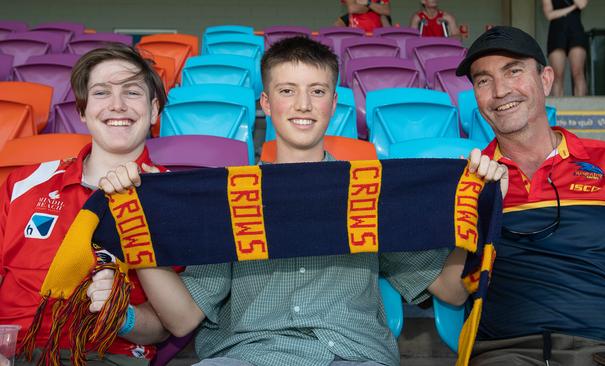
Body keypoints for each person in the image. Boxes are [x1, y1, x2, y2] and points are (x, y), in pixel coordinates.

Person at [88, 36, 507, 366]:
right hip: (245, 356)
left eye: (318, 91)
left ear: (334, 103)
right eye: (288, 91)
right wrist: (135, 223)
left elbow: (451, 293)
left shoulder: (371, 193)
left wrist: (472, 211)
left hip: (354, 355)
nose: (303, 104)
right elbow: (182, 319)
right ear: (266, 104)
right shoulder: (231, 197)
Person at [454, 26, 605, 366]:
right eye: (483, 80)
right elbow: (454, 288)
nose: (500, 91)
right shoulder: (467, 181)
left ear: (546, 79)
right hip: (507, 354)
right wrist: (474, 207)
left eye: (513, 71)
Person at [0, 43, 170, 365]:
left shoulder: (173, 198)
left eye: (132, 93)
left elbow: (168, 326)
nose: (117, 105)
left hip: (107, 356)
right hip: (11, 350)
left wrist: (124, 316)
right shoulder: (22, 185)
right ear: (81, 110)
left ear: (154, 110)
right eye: (102, 93)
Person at [542, 0, 589, 96]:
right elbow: (549, 15)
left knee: (578, 73)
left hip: (576, 30)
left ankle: (581, 109)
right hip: (557, 32)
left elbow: (582, 4)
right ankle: (558, 109)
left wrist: (561, 12)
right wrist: (572, 7)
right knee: (557, 76)